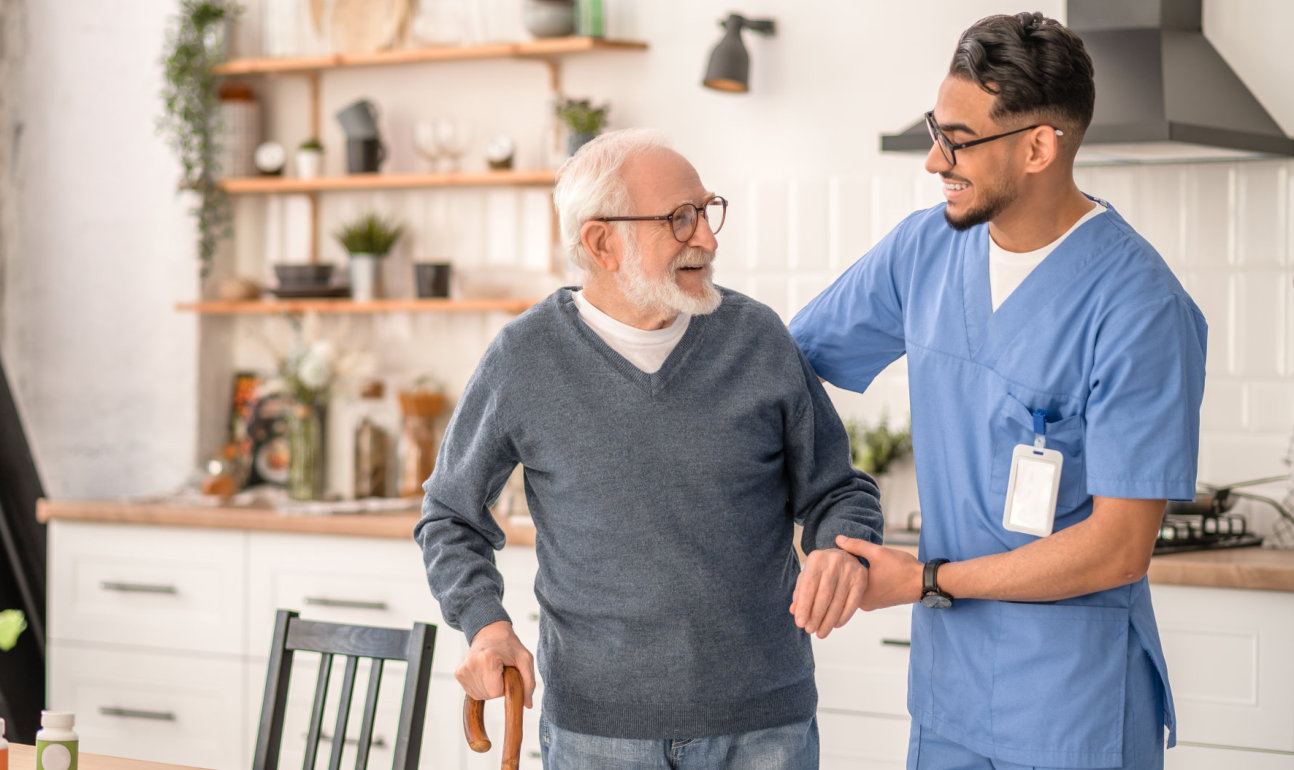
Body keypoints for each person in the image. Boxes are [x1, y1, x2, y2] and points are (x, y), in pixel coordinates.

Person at [789, 12, 1207, 770]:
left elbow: (1119, 549)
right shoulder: (924, 250)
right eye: (934, 129)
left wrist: (924, 579)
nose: (932, 160)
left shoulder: (1141, 307)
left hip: (1073, 707)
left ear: (1039, 146)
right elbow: (784, 365)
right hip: (949, 697)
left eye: (959, 139)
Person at [414, 128, 882, 770]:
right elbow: (450, 516)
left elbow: (837, 490)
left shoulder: (757, 338)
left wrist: (840, 548)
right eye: (680, 219)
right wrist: (486, 624)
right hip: (598, 735)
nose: (709, 239)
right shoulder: (524, 359)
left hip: (765, 728)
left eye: (708, 211)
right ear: (602, 242)